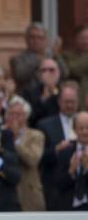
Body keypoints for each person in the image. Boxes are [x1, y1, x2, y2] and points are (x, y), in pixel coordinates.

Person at [37, 81, 80, 210]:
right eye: (66, 101)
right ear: (59, 102)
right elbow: (39, 157)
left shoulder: (85, 121)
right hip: (56, 190)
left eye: (73, 101)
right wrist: (56, 150)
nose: (69, 105)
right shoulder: (45, 125)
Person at [4, 95, 45, 211]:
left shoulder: (36, 135)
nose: (14, 118)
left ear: (26, 116)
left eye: (18, 114)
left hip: (29, 193)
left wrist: (16, 139)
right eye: (11, 114)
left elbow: (33, 159)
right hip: (7, 193)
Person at [56, 111, 88, 210]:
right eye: (81, 128)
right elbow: (58, 184)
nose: (85, 132)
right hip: (69, 209)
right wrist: (71, 171)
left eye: (87, 128)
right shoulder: (66, 152)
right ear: (74, 130)